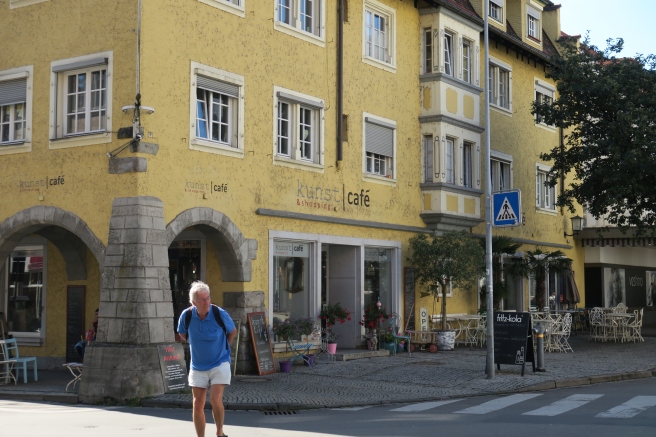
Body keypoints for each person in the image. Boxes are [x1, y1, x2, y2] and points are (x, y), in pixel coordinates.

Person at [177, 281, 236, 437]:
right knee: (197, 404)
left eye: (208, 297)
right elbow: (182, 333)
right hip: (197, 365)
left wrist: (225, 347)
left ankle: (219, 432)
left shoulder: (219, 313)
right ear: (194, 302)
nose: (207, 302)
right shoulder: (187, 315)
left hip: (220, 362)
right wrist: (195, 342)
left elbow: (232, 331)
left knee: (215, 399)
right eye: (202, 299)